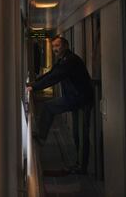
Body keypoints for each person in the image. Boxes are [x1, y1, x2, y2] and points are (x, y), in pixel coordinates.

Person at [26, 35, 94, 174]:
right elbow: (51, 73)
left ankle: (41, 138)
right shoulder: (63, 60)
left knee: (80, 133)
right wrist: (33, 84)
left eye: (57, 46)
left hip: (81, 100)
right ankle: (79, 164)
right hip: (75, 98)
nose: (55, 49)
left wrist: (35, 87)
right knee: (77, 133)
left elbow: (54, 77)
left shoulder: (70, 60)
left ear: (65, 46)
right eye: (53, 46)